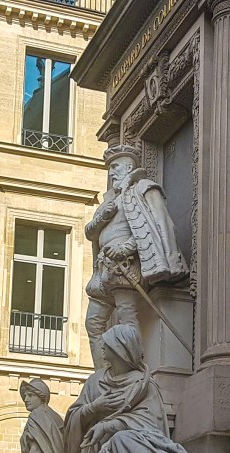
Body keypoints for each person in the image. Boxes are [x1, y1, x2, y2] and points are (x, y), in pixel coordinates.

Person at [62, 324, 210, 453]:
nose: (102, 348)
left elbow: (151, 426)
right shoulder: (95, 382)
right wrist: (94, 407)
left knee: (121, 440)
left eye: (108, 344)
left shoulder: (143, 384)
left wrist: (108, 426)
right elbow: (73, 417)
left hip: (137, 446)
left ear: (120, 349)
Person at [84, 144, 189, 369]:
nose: (111, 173)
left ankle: (134, 370)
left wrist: (126, 248)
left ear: (128, 166)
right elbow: (90, 233)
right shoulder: (108, 201)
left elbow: (155, 226)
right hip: (103, 269)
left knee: (126, 318)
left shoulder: (143, 189)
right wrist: (102, 216)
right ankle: (103, 375)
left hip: (126, 265)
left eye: (114, 167)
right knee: (93, 323)